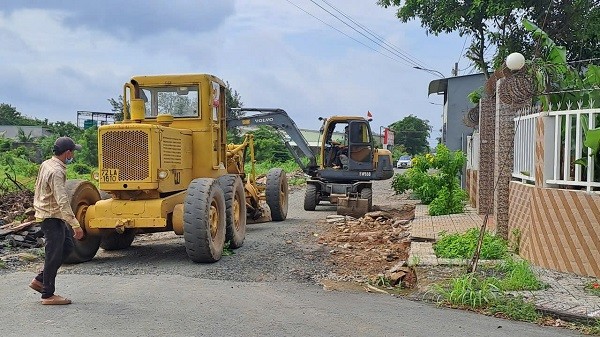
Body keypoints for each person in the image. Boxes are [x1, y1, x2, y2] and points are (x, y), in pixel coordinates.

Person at [29, 136, 84, 305]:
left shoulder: (47, 163)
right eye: (73, 152)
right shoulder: (56, 172)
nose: (73, 155)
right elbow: (62, 200)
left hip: (50, 213)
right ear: (67, 153)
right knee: (53, 254)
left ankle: (40, 280)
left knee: (66, 248)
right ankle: (47, 295)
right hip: (51, 216)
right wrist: (76, 225)